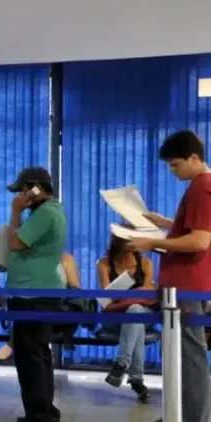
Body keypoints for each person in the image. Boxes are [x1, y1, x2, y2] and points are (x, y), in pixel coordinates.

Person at [128, 129, 211, 422]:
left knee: (190, 358)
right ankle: (181, 413)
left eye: (175, 164)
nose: (172, 170)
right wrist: (165, 223)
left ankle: (193, 417)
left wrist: (152, 242)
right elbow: (194, 230)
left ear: (194, 158)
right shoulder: (200, 186)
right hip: (186, 285)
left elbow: (200, 241)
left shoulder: (202, 186)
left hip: (187, 286)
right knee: (182, 356)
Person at [5, 167, 66, 422]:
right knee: (37, 353)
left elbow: (16, 242)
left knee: (32, 356)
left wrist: (16, 211)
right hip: (33, 292)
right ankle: (41, 411)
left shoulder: (46, 212)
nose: (20, 195)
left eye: (23, 189)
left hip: (34, 294)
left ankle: (39, 414)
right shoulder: (48, 212)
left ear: (35, 188)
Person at [0, 252, 80, 362]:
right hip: (30, 307)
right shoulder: (23, 259)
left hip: (59, 309)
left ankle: (10, 346)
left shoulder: (65, 259)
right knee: (30, 313)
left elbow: (76, 293)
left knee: (32, 318)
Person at [97, 234, 154, 402]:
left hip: (144, 312)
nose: (131, 251)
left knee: (135, 311)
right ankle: (136, 380)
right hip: (115, 316)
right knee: (135, 319)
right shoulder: (104, 264)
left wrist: (124, 296)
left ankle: (121, 363)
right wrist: (136, 294)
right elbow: (107, 298)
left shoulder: (145, 263)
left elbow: (150, 292)